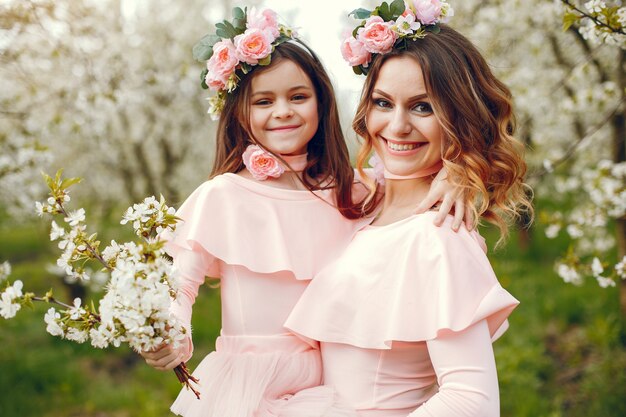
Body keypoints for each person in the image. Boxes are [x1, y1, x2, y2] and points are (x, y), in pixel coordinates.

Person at [138, 7, 464, 417]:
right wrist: (173, 335)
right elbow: (181, 288)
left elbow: (415, 188)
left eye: (298, 97)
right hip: (252, 382)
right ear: (240, 111)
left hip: (332, 380)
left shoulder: (354, 191)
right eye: (264, 101)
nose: (283, 111)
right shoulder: (223, 195)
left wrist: (458, 177)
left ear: (321, 103)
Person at [285, 2, 534, 416]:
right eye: (383, 103)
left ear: (459, 117)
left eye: (423, 107)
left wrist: (463, 167)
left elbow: (471, 401)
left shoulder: (438, 234)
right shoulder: (363, 204)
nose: (397, 126)